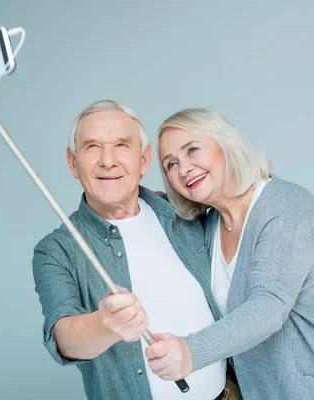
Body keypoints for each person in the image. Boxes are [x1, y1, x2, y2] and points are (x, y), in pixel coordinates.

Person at [145, 107, 314, 399]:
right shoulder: (213, 226)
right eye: (171, 164)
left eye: (192, 150)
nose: (184, 168)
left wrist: (191, 351)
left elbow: (267, 307)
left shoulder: (285, 208)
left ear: (226, 145)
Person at [32, 100, 240, 400]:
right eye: (92, 146)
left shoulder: (183, 210)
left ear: (144, 160)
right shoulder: (55, 251)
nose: (107, 160)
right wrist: (106, 324)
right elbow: (65, 340)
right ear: (72, 161)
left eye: (121, 145)